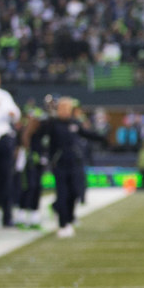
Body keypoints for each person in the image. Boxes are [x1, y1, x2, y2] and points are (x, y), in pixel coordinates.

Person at [37, 96, 107, 238]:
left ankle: (68, 217)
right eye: (62, 108)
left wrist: (103, 137)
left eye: (67, 108)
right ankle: (63, 224)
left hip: (74, 163)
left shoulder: (74, 123)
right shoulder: (52, 124)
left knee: (74, 192)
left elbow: (87, 134)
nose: (65, 111)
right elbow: (40, 137)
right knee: (62, 194)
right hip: (59, 164)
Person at [0, 71, 22, 228]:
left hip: (3, 141)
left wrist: (12, 114)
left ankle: (7, 216)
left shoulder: (4, 95)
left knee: (6, 179)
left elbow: (16, 114)